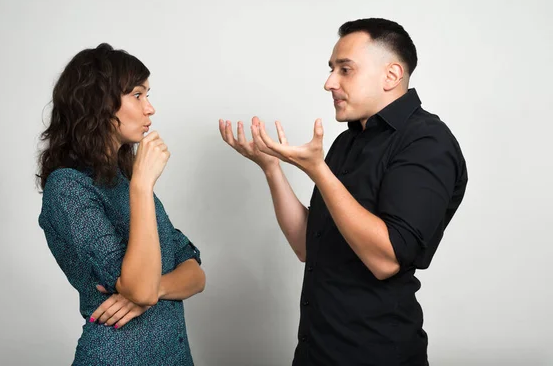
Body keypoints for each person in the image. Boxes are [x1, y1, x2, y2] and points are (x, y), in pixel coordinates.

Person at [219, 18, 468, 365]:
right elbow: (308, 245)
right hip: (315, 351)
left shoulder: (427, 141)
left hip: (376, 354)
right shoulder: (346, 142)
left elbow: (385, 260)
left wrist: (319, 171)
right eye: (331, 69)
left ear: (392, 75)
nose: (329, 83)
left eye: (345, 70)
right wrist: (271, 168)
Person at [37, 43, 205, 365]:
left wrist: (151, 292)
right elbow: (138, 288)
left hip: (175, 355)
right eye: (138, 95)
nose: (150, 108)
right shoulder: (68, 187)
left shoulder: (122, 182)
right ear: (99, 104)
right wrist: (142, 185)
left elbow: (195, 272)